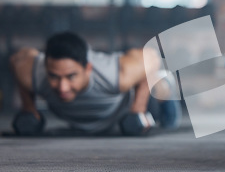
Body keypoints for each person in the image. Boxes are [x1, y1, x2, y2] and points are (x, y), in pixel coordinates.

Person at [9, 32, 181, 135]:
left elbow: (150, 56)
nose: (62, 87)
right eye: (54, 77)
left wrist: (138, 109)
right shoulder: (33, 72)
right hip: (90, 118)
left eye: (71, 77)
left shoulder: (114, 74)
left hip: (123, 107)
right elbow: (17, 59)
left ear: (88, 68)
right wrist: (29, 108)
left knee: (159, 91)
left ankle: (166, 83)